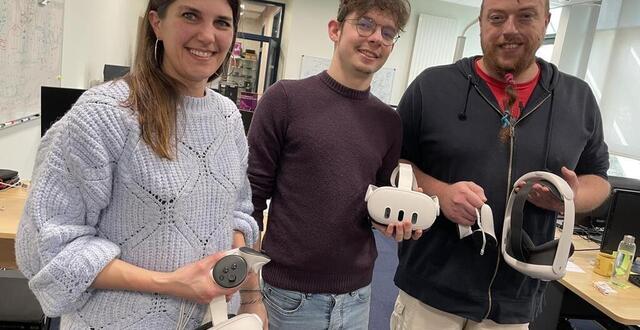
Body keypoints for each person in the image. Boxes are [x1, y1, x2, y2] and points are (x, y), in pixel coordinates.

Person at [15, 0, 264, 329]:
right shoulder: (104, 114)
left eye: (222, 22)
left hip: (209, 321)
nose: (207, 35)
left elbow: (238, 215)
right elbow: (50, 249)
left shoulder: (227, 117)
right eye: (190, 15)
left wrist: (251, 300)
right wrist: (172, 283)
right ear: (156, 22)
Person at [391, 0, 611, 329]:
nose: (510, 29)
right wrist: (440, 194)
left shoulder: (577, 100)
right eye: (497, 17)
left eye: (525, 16)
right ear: (481, 22)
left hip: (515, 300)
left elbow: (599, 178)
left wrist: (570, 199)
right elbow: (395, 162)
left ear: (546, 21)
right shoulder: (432, 87)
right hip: (431, 294)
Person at [247, 0, 415, 329]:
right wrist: (250, 295)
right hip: (287, 297)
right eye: (365, 24)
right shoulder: (284, 100)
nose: (376, 38)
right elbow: (248, 201)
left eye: (388, 32)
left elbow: (375, 203)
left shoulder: (388, 122)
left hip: (358, 296)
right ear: (335, 30)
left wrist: (395, 221)